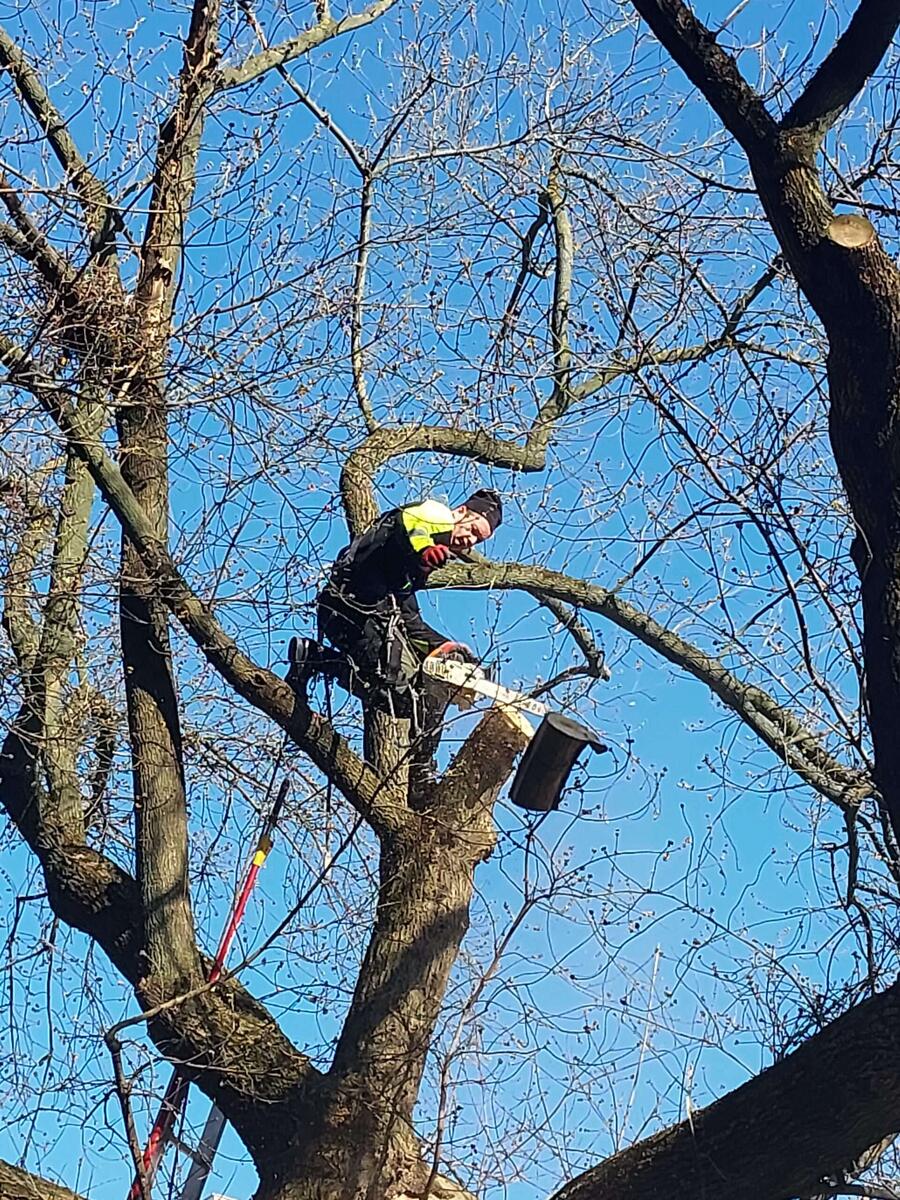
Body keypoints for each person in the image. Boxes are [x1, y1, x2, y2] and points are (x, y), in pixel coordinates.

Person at [287, 489, 502, 712]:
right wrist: (424, 549)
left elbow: (408, 613)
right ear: (461, 512)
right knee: (396, 694)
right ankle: (314, 658)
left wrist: (442, 646)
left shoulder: (408, 568)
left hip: (351, 616)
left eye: (478, 539)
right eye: (473, 529)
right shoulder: (437, 515)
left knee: (410, 701)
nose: (471, 539)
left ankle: (312, 656)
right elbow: (411, 523)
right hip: (354, 610)